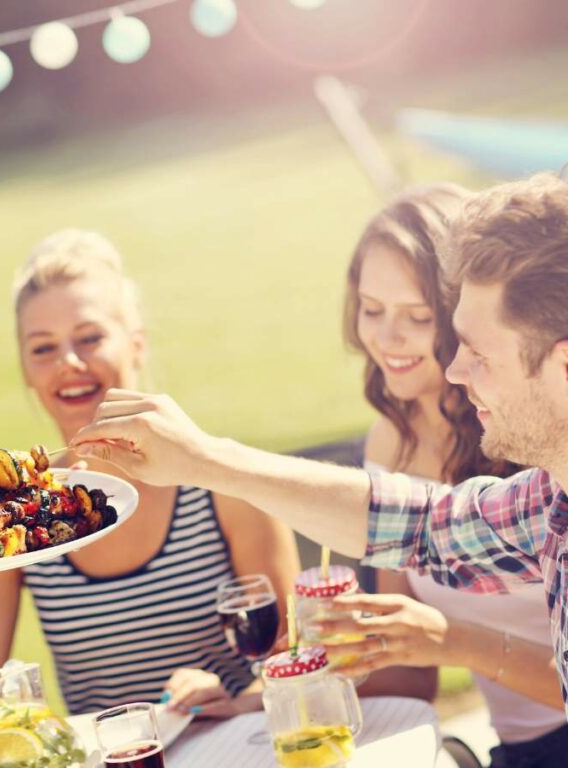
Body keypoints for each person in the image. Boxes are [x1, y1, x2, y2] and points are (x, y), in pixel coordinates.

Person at [70, 173, 568, 722]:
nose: (456, 369)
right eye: (372, 308)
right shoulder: (546, 503)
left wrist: (455, 640)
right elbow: (414, 524)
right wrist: (202, 459)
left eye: (480, 353)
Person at [0, 230, 299, 753]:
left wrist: (239, 699)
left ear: (136, 343)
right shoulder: (9, 519)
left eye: (89, 338)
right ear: (25, 369)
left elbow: (294, 659)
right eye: (43, 348)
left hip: (238, 747)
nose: (68, 362)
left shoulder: (219, 482)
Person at [330, 184, 566, 766]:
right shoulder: (392, 436)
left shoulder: (531, 433)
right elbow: (408, 672)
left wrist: (455, 640)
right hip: (515, 749)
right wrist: (277, 691)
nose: (387, 340)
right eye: (371, 310)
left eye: (416, 316)